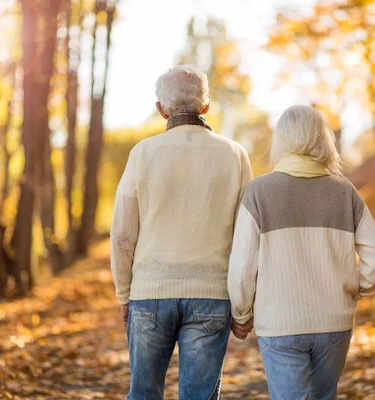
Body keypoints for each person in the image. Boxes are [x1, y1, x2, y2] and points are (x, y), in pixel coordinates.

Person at [110, 65, 253, 400]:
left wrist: (123, 293)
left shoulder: (142, 154)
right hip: (212, 294)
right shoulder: (235, 155)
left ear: (161, 109)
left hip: (149, 293)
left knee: (143, 393)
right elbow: (247, 239)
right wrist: (243, 307)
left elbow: (121, 235)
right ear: (206, 106)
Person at [227, 105, 375, 400]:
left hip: (280, 324)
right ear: (322, 139)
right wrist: (354, 290)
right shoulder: (345, 192)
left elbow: (242, 268)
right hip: (334, 323)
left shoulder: (258, 192)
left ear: (281, 141)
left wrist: (241, 313)